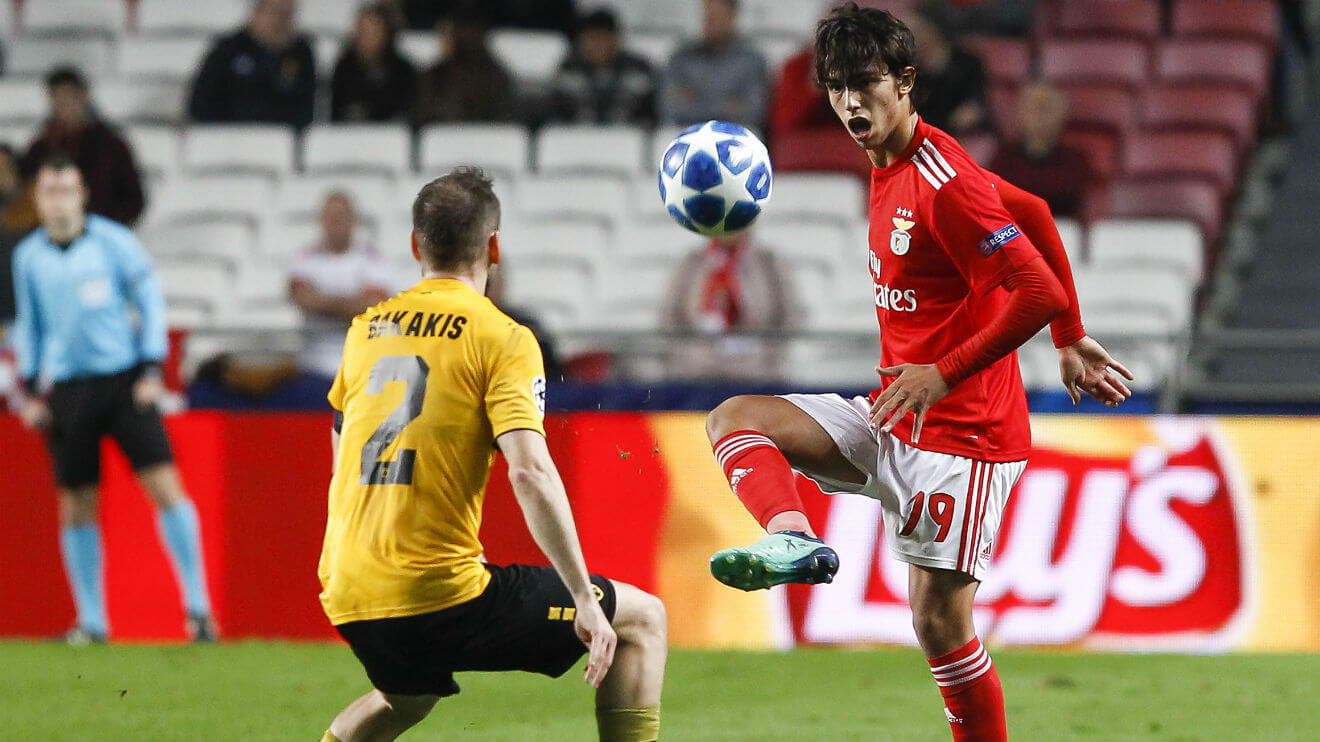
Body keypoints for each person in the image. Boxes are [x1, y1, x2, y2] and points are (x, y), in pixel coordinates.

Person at [703, 6, 1133, 742]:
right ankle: (794, 537)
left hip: (965, 439)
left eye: (865, 83)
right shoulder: (893, 166)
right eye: (836, 87)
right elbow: (1027, 209)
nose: (849, 103)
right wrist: (1069, 339)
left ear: (905, 82)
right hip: (896, 411)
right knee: (736, 419)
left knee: (938, 624)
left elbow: (1038, 286)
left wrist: (961, 366)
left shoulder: (941, 178)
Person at [317, 167, 666, 742]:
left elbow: (340, 452)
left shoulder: (365, 331)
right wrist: (583, 597)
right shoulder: (502, 337)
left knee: (406, 699)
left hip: (348, 586)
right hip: (436, 592)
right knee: (640, 621)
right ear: (494, 247)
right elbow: (529, 471)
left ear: (415, 245)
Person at [10, 154, 215, 645]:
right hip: (67, 390)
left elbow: (147, 302)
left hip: (124, 382)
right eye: (49, 191)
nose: (58, 199)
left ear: (82, 195)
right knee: (76, 502)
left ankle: (199, 608)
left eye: (67, 190)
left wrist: (151, 369)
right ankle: (93, 620)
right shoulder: (29, 256)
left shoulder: (115, 243)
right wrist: (30, 391)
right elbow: (30, 324)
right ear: (37, 199)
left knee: (164, 486)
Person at [660, 231, 797, 381]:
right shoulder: (692, 261)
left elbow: (791, 316)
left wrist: (770, 357)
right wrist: (687, 357)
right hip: (699, 371)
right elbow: (669, 317)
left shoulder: (768, 262)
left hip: (757, 372)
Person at [287, 192, 395, 383]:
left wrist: (323, 303)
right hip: (314, 364)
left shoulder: (372, 258)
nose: (335, 222)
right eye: (330, 216)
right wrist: (351, 306)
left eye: (340, 216)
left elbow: (373, 307)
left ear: (352, 220)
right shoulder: (303, 258)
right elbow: (302, 298)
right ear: (322, 220)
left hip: (361, 367)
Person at [21, 67, 146, 227]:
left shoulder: (111, 147)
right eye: (57, 98)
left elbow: (133, 200)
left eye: (69, 97)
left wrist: (100, 227)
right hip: (51, 236)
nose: (64, 105)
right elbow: (26, 193)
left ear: (83, 98)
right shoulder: (40, 148)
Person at [188, 0, 316, 127]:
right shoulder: (227, 50)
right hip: (227, 136)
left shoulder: (301, 53)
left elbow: (306, 107)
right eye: (275, 12)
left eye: (287, 15)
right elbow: (201, 103)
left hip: (281, 139)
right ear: (257, 11)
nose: (280, 21)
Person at [988, 81, 1095, 221]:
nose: (1039, 116)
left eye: (1046, 109)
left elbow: (1070, 195)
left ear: (1062, 114)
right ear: (1021, 113)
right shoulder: (1003, 158)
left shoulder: (1076, 160)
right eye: (1033, 108)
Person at [662, 0, 769, 132]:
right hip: (687, 136)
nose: (708, 23)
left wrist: (695, 102)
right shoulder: (681, 58)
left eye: (715, 18)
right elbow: (670, 109)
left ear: (732, 17)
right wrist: (727, 106)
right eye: (706, 17)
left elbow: (753, 113)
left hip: (736, 139)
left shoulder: (752, 60)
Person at [411, 2, 517, 125]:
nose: (441, 42)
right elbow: (421, 115)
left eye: (447, 35)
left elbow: (503, 119)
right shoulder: (433, 75)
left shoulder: (493, 78)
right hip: (441, 139)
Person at [547, 9, 657, 127]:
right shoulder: (569, 70)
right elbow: (559, 114)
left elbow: (649, 112)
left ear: (616, 39)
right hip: (579, 139)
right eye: (592, 39)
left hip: (628, 138)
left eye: (604, 38)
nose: (598, 45)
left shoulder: (637, 69)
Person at [904, 1, 988, 136]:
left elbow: (977, 103)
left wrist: (973, 110)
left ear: (933, 30)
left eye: (916, 30)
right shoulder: (910, 71)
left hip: (963, 137)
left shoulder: (968, 63)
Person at [330, 2, 417, 123]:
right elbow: (339, 113)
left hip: (391, 137)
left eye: (372, 32)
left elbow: (403, 113)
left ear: (385, 34)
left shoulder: (402, 70)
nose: (365, 38)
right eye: (362, 31)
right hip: (351, 137)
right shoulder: (344, 68)